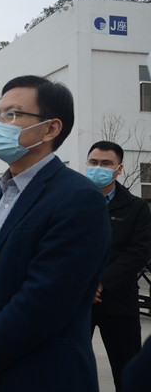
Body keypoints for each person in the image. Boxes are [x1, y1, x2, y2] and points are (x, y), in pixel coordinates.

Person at [0, 75, 111, 392]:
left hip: (42, 374)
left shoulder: (79, 198)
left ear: (51, 128)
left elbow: (47, 299)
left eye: (11, 115)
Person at [86, 141, 151, 392]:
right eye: (93, 162)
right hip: (78, 301)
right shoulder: (72, 203)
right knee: (69, 369)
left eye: (106, 163)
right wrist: (83, 283)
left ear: (119, 169)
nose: (98, 168)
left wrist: (101, 282)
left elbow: (139, 252)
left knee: (127, 373)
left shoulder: (135, 207)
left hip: (119, 302)